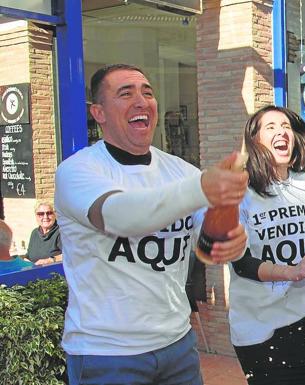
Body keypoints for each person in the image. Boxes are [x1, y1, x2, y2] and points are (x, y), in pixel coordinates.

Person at [54, 64, 249, 385]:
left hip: (177, 344)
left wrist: (230, 231)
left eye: (147, 92)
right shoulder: (77, 172)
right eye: (125, 93)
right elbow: (117, 216)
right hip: (107, 353)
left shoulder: (181, 171)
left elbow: (212, 242)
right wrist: (201, 188)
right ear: (99, 113)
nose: (142, 100)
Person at [228, 105, 305, 385]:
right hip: (259, 327)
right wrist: (293, 271)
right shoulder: (239, 191)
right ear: (254, 140)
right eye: (271, 127)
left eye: (286, 126)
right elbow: (241, 263)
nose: (282, 132)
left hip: (304, 317)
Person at [25, 201, 62, 266]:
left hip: (55, 274)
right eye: (41, 214)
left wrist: (51, 260)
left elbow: (71, 255)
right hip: (34, 272)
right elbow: (29, 255)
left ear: (55, 215)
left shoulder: (61, 232)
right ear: (36, 216)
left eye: (49, 213)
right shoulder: (35, 233)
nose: (45, 217)